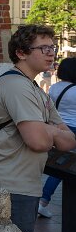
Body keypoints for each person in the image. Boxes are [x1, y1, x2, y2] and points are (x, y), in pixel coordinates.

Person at [0, 25, 76, 232]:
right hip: (8, 185)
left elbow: (69, 141)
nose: (51, 53)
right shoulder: (16, 86)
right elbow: (38, 141)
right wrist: (52, 130)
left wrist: (48, 130)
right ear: (21, 53)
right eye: (43, 48)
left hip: (24, 184)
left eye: (53, 47)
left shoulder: (36, 89)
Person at [38, 58, 76, 218]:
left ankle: (43, 200)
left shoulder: (54, 88)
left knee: (61, 167)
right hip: (73, 130)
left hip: (59, 129)